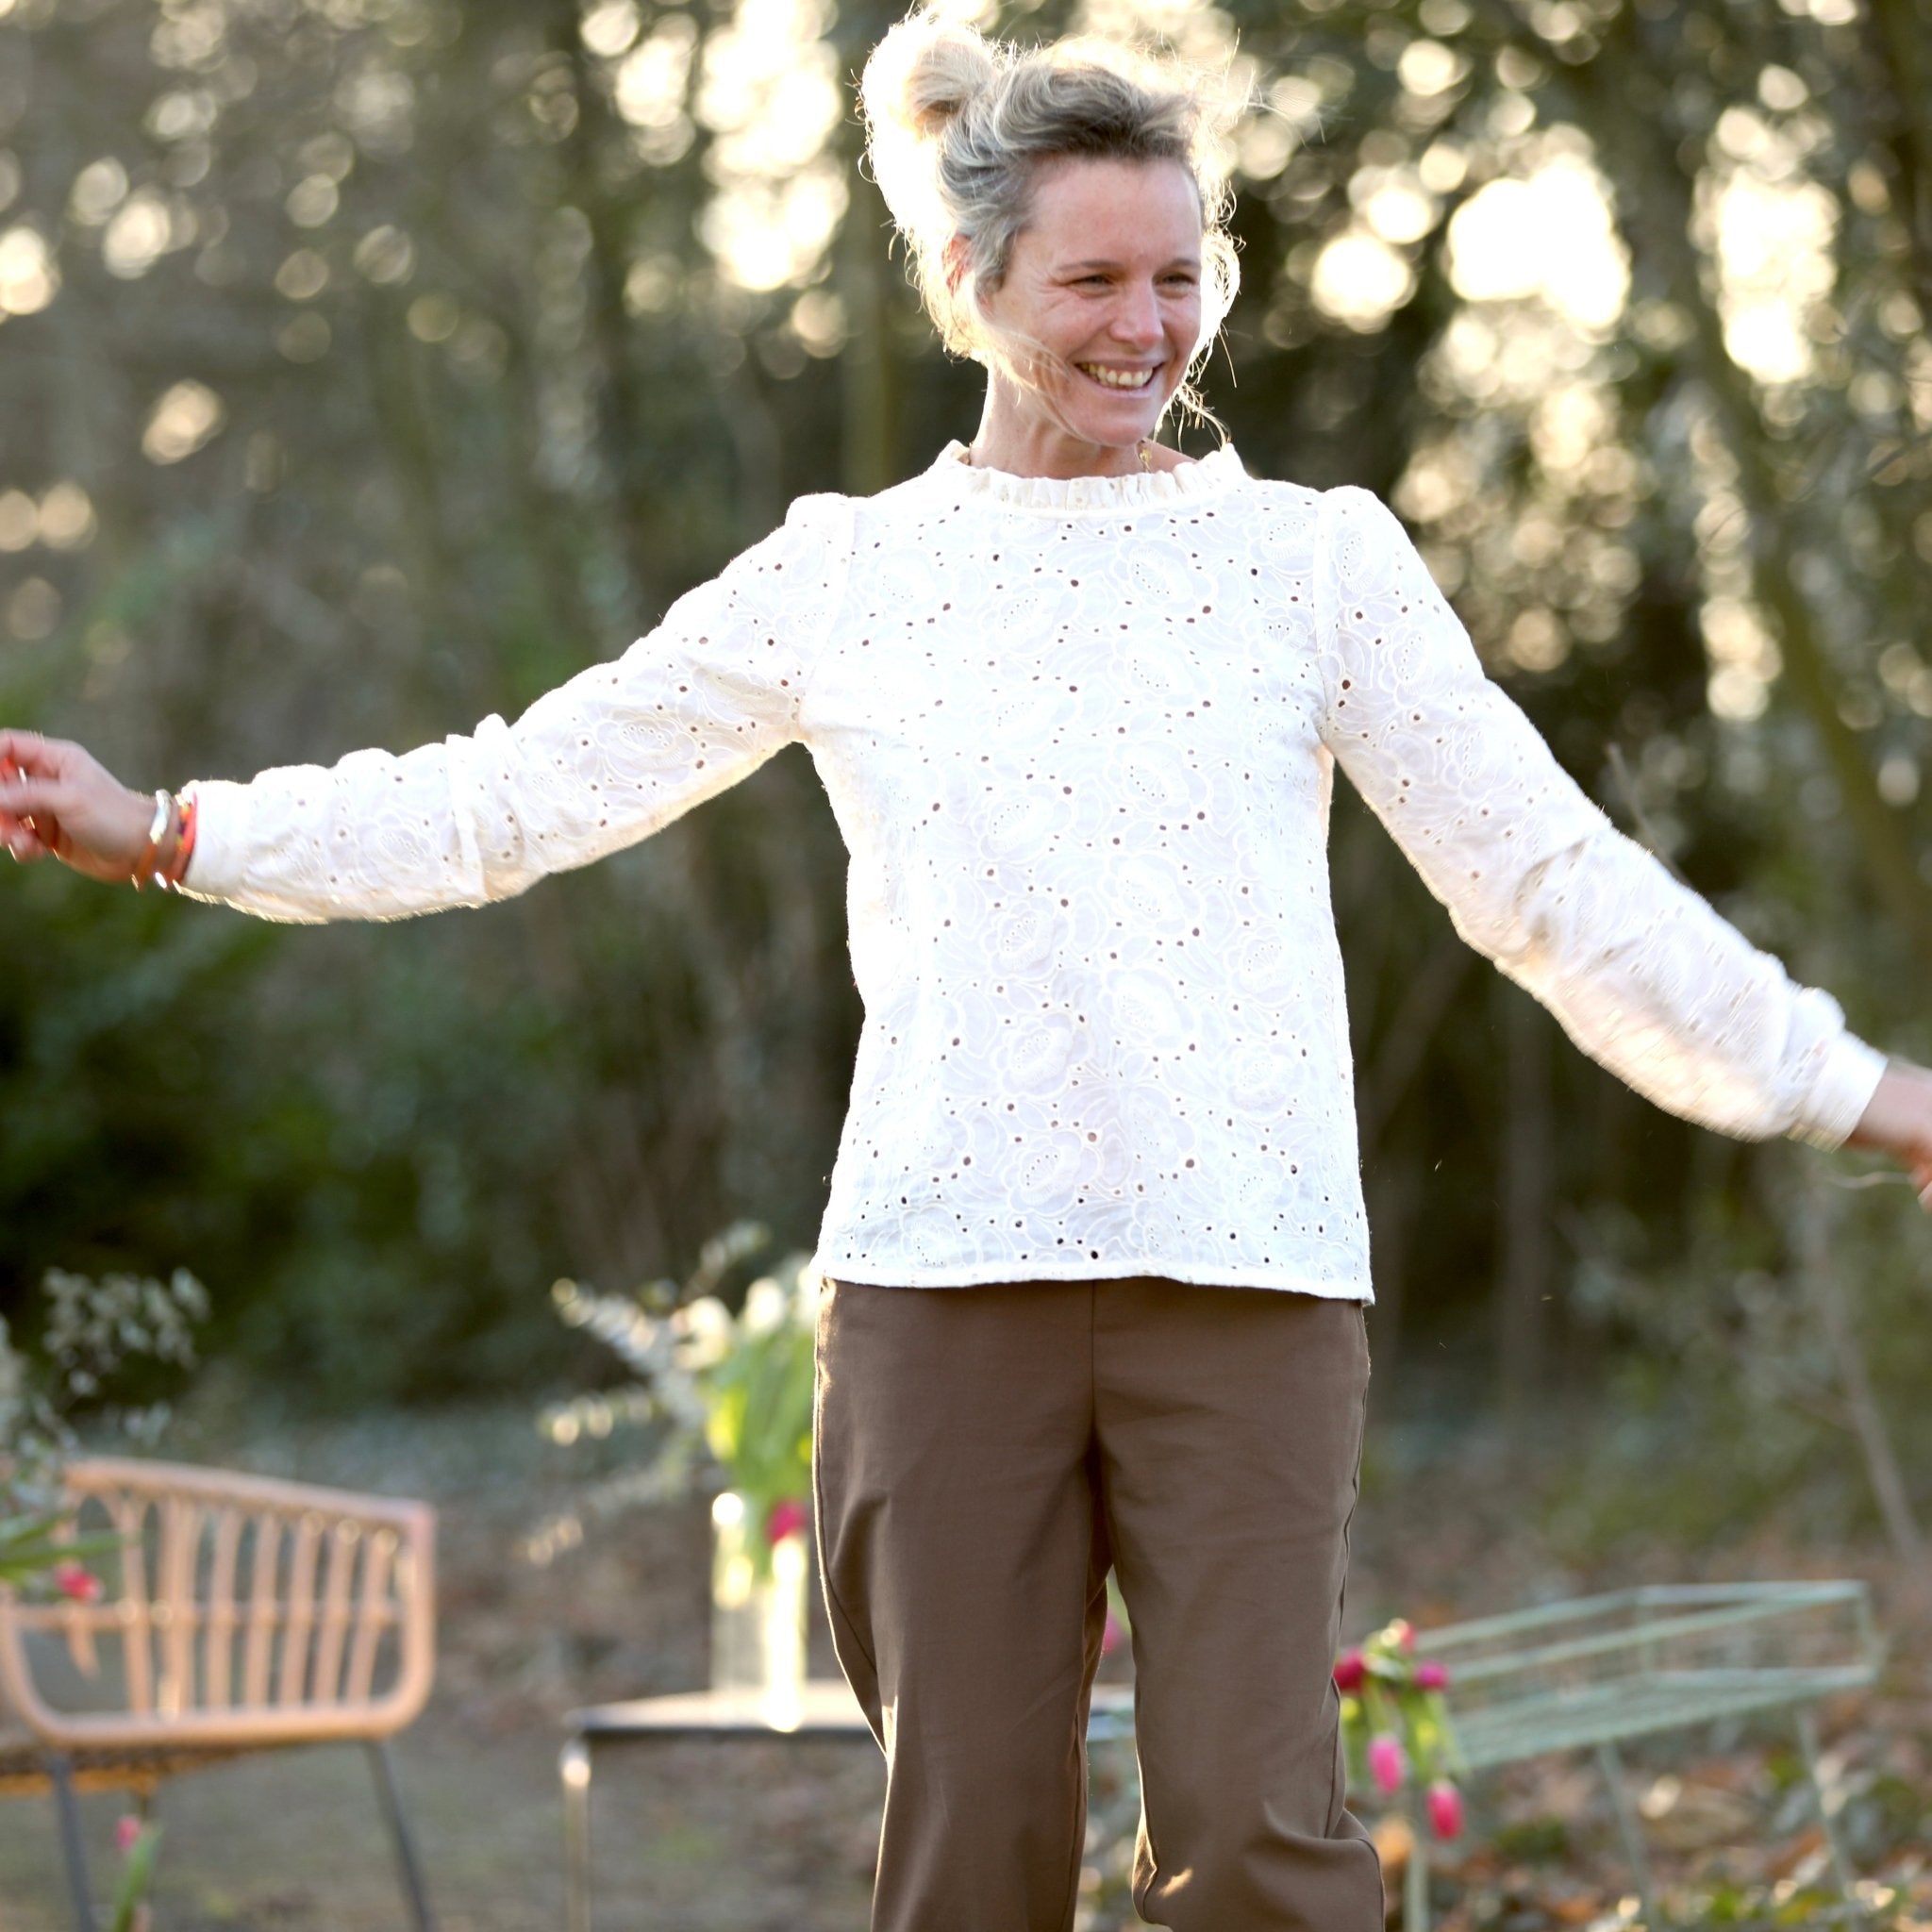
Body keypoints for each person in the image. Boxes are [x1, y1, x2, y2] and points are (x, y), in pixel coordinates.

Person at [5, 11, 1931, 1929]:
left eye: (1177, 276)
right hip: (938, 1296)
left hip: (1246, 1287)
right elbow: (510, 797)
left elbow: (1548, 881)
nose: (1145, 327)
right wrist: (173, 827)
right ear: (970, 278)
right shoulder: (847, 573)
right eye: (1091, 280)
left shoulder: (1314, 565)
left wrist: (1862, 1093)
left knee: (1263, 1856)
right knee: (968, 1861)